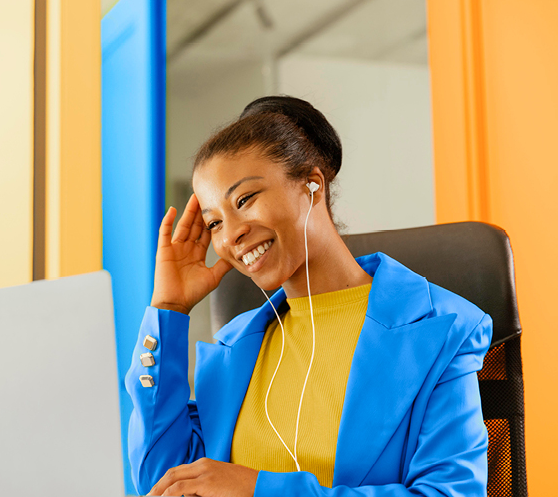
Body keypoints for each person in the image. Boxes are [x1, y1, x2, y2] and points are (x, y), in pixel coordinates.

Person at [125, 96, 491, 497]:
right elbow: (163, 481)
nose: (230, 236)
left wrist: (258, 490)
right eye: (214, 222)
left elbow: (448, 492)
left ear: (311, 185)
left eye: (245, 200)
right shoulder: (235, 348)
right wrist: (168, 309)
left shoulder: (442, 329)